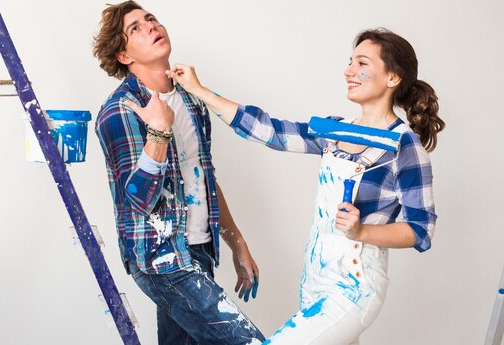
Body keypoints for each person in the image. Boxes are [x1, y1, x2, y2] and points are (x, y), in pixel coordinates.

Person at [168, 28, 445, 345]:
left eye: (362, 63)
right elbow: (269, 131)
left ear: (393, 78)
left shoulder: (404, 146)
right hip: (314, 277)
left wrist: (361, 231)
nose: (349, 71)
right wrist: (200, 90)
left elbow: (421, 230)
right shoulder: (334, 130)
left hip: (354, 285)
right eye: (350, 62)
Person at [92, 0, 265, 345]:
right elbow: (138, 201)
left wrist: (237, 243)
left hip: (198, 248)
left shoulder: (191, 101)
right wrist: (158, 132)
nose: (151, 26)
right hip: (161, 258)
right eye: (136, 29)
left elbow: (204, 179)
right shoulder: (120, 111)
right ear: (124, 57)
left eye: (151, 19)